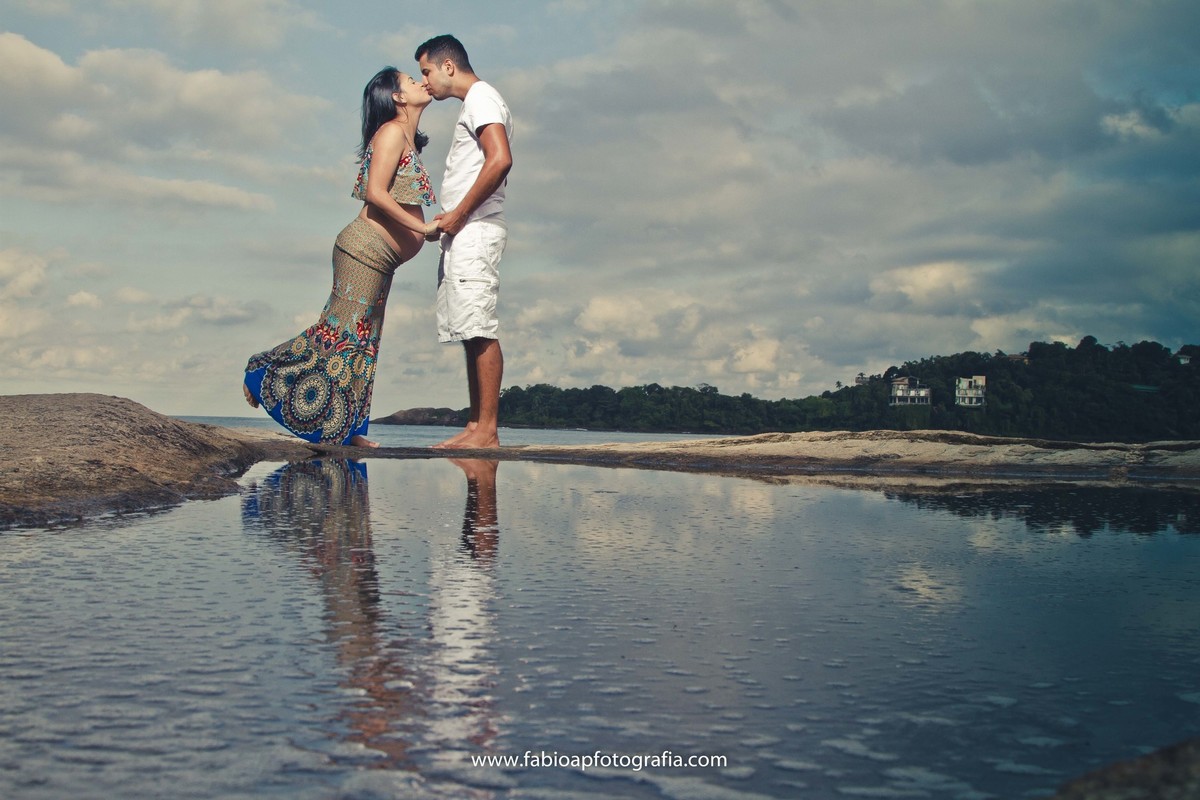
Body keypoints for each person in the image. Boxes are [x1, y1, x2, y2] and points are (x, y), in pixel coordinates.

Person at [243, 67, 439, 447]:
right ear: (397, 97)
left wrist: (426, 229)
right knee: (338, 337)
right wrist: (423, 229)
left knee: (364, 344)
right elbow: (375, 193)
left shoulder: (408, 139)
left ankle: (351, 431)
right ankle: (260, 370)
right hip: (363, 250)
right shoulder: (391, 132)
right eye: (410, 81)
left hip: (381, 259)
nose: (419, 82)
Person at [416, 35, 513, 449]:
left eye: (426, 72)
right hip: (464, 230)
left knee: (480, 327)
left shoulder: (482, 97)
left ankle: (487, 431)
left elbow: (500, 158)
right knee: (469, 328)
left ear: (448, 66)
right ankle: (476, 427)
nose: (426, 83)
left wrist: (457, 215)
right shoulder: (474, 103)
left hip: (475, 229)